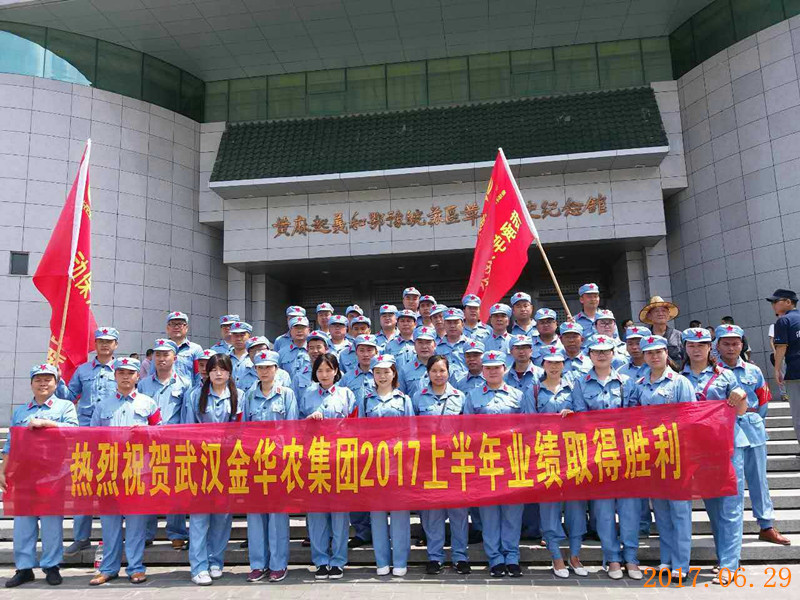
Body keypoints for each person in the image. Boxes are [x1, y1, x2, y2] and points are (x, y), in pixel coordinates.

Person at [569, 335, 641, 580]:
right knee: (603, 511)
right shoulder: (580, 384)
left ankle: (631, 557)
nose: (601, 355)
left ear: (613, 354)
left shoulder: (626, 383)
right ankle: (612, 558)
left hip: (625, 454)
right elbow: (581, 417)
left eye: (606, 351)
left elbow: (634, 417)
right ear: (589, 355)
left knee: (629, 510)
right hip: (597, 455)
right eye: (596, 351)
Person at [680, 327, 748, 584]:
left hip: (728, 446)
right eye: (691, 345)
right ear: (685, 348)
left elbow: (741, 410)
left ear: (711, 348)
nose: (696, 349)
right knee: (713, 506)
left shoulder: (726, 375)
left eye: (702, 345)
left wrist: (740, 396)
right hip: (698, 450)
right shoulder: (678, 378)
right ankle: (724, 558)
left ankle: (730, 564)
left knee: (730, 506)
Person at [1, 363, 78, 588]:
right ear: (31, 384)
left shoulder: (65, 406)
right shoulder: (21, 411)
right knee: (23, 524)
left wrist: (47, 423)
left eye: (48, 379)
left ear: (56, 383)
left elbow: (74, 431)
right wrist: (3, 469)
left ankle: (51, 566)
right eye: (38, 379)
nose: (43, 383)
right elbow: (11, 443)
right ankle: (24, 568)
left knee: (51, 523)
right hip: (24, 473)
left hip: (53, 473)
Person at [628, 335, 696, 580]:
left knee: (679, 511)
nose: (654, 356)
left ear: (667, 353)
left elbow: (690, 417)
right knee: (661, 511)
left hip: (677, 454)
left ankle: (681, 564)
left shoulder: (680, 383)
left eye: (658, 352)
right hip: (652, 455)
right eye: (649, 353)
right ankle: (666, 560)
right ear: (644, 356)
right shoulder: (639, 385)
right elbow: (632, 418)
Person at [715, 324, 790, 545]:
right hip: (725, 430)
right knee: (732, 481)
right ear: (717, 346)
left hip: (751, 427)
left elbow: (763, 400)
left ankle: (766, 525)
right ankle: (731, 529)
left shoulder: (753, 370)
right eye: (726, 344)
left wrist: (756, 421)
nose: (731, 348)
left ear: (742, 345)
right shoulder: (714, 372)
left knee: (758, 478)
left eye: (735, 343)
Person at [89, 357, 161, 586]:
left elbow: (161, 434)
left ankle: (135, 567)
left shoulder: (148, 403)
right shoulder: (103, 405)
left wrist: (147, 432)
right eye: (121, 372)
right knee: (110, 524)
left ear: (138, 376)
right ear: (115, 376)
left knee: (136, 524)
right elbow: (92, 438)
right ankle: (108, 568)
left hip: (138, 471)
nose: (126, 377)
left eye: (130, 373)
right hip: (109, 471)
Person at [521, 349, 587, 579]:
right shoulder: (533, 390)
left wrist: (573, 415)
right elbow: (528, 424)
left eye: (558, 362)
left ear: (564, 365)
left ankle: (575, 554)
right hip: (546, 454)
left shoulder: (574, 387)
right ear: (543, 365)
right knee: (549, 507)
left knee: (576, 507)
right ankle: (556, 555)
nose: (554, 367)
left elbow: (584, 416)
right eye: (550, 363)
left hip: (572, 454)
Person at [183, 354, 242, 585]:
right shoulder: (195, 395)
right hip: (201, 462)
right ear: (207, 372)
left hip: (227, 463)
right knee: (199, 516)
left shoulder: (239, 396)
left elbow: (241, 429)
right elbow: (188, 429)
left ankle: (216, 560)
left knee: (222, 515)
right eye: (214, 369)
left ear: (229, 372)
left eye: (223, 369)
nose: (218, 373)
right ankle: (198, 566)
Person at [464, 351, 524, 578]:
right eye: (488, 368)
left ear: (504, 369)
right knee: (489, 513)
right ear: (482, 370)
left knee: (512, 512)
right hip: (485, 461)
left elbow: (528, 427)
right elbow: (467, 430)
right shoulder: (473, 396)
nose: (492, 371)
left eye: (497, 367)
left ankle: (512, 556)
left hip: (512, 461)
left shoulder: (518, 395)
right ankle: (495, 558)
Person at [61, 326, 119, 556]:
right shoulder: (82, 370)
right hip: (86, 434)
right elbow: (68, 397)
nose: (104, 344)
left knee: (114, 485)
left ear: (116, 345)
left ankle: (114, 537)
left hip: (114, 434)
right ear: (95, 345)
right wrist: (58, 379)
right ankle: (81, 537)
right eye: (100, 341)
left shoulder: (124, 370)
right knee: (83, 485)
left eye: (109, 341)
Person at [242, 350, 299, 582]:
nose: (264, 371)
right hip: (256, 462)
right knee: (255, 515)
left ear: (276, 369)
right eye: (260, 367)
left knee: (277, 516)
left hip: (278, 462)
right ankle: (258, 564)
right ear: (255, 370)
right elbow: (244, 429)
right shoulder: (249, 395)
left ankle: (278, 564)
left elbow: (292, 428)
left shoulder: (286, 394)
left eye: (268, 367)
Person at [411, 355, 471, 575]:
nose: (438, 375)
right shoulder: (418, 397)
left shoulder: (460, 397)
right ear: (428, 373)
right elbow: (412, 429)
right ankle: (435, 557)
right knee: (432, 512)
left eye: (442, 370)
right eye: (434, 371)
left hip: (455, 461)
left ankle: (460, 556)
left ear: (448, 372)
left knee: (458, 512)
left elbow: (468, 429)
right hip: (429, 463)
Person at [300, 353, 356, 580]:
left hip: (340, 459)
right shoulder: (307, 394)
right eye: (320, 370)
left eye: (328, 370)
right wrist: (309, 422)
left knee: (340, 513)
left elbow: (354, 426)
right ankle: (321, 560)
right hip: (315, 459)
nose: (324, 375)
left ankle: (339, 560)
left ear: (336, 371)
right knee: (316, 514)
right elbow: (297, 427)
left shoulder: (346, 394)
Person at [360, 354, 414, 577]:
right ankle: (381, 560)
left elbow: (412, 433)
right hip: (374, 464)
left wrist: (409, 463)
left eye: (386, 372)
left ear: (394, 374)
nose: (382, 376)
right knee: (377, 515)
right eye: (377, 372)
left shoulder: (404, 400)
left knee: (400, 515)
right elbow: (360, 433)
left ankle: (400, 560)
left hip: (398, 463)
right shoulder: (366, 400)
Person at [137, 338, 192, 549]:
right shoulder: (143, 384)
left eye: (165, 355)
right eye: (158, 355)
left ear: (174, 358)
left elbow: (186, 415)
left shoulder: (185, 383)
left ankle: (176, 532)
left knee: (175, 488)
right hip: (149, 443)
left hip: (174, 443)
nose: (161, 359)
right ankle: (147, 533)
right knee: (149, 486)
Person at [769, 288, 800, 444]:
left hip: (796, 372)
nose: (773, 305)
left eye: (776, 301)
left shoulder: (783, 321)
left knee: (798, 415)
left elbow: (781, 347)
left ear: (788, 302)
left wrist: (777, 369)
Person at [341, 334, 378, 420]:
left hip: (376, 422)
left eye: (369, 350)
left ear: (376, 352)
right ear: (356, 353)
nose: (366, 354)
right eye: (361, 350)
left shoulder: (382, 377)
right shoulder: (346, 378)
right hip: (353, 423)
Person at [639, 297, 683, 364]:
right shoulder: (645, 337)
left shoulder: (678, 335)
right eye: (656, 311)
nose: (660, 314)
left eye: (664, 311)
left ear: (668, 314)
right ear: (649, 316)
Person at [162, 311, 203, 381]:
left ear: (186, 328)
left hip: (188, 388)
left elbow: (199, 376)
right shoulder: (160, 349)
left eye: (180, 324)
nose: (176, 327)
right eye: (173, 324)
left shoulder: (195, 349)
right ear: (167, 328)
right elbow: (153, 374)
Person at [398, 326, 437, 397]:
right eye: (420, 343)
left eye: (428, 342)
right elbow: (400, 397)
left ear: (435, 345)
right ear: (414, 345)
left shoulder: (444, 368)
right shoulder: (405, 370)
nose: (424, 346)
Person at [292, 330, 330, 400]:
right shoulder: (299, 376)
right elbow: (294, 401)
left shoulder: (335, 374)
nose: (315, 351)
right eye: (311, 348)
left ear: (326, 348)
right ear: (307, 350)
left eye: (318, 347)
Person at [437, 308, 469, 380]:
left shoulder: (471, 345)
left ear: (462, 324)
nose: (452, 326)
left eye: (456, 322)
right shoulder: (437, 347)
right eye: (449, 322)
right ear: (444, 324)